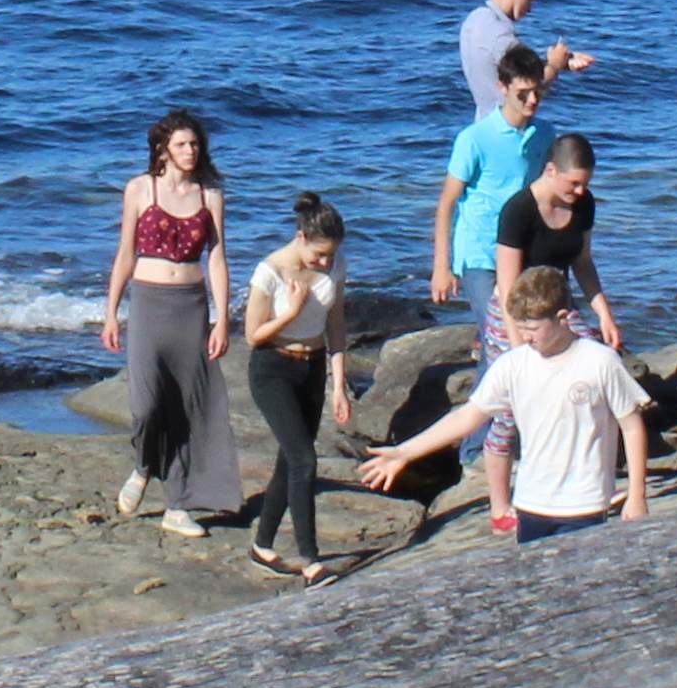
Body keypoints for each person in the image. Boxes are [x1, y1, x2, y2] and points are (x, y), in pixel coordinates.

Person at [360, 265, 650, 541]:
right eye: (519, 326)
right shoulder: (513, 365)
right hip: (531, 503)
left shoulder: (599, 361)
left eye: (532, 328)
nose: (524, 336)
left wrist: (637, 495)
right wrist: (404, 453)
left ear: (562, 317)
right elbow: (467, 417)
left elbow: (632, 426)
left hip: (584, 504)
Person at [102, 107, 239, 537]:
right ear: (163, 148)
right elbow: (125, 253)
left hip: (190, 306)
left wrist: (221, 319)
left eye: (195, 143)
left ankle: (177, 505)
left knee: (186, 406)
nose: (190, 151)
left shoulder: (210, 195)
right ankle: (144, 467)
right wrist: (111, 312)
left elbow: (217, 257)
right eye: (181, 144)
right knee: (146, 405)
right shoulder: (140, 189)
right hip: (147, 303)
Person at [481, 132, 622, 533]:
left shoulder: (583, 205)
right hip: (516, 311)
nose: (580, 191)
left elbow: (583, 264)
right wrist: (516, 346)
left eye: (585, 183)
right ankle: (500, 504)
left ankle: (588, 482)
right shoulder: (519, 211)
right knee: (510, 408)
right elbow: (508, 287)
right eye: (572, 183)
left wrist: (605, 313)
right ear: (550, 170)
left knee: (595, 376)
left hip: (559, 307)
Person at [244, 194, 353, 582]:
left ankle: (262, 545)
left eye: (331, 256)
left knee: (290, 460)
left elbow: (336, 324)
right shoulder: (270, 271)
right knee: (305, 460)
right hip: (273, 368)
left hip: (314, 365)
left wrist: (339, 385)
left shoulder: (336, 264)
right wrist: (289, 313)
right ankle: (311, 561)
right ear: (301, 237)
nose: (325, 263)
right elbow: (252, 336)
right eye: (319, 254)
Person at [432, 46, 549, 328]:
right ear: (503, 88)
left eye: (538, 91)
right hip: (479, 251)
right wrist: (441, 268)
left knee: (528, 330)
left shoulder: (545, 134)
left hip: (522, 247)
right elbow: (447, 204)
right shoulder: (474, 139)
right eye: (523, 93)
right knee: (498, 331)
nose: (532, 100)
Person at [458, 0, 593, 118]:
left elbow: (509, 65)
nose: (530, 9)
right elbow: (531, 84)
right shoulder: (499, 33)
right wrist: (555, 65)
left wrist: (564, 62)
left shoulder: (475, 19)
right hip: (507, 129)